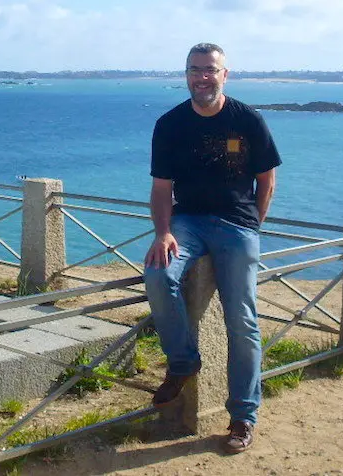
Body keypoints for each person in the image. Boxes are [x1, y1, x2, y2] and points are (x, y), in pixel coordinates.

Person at [144, 42, 281, 454]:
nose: (201, 77)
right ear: (185, 74)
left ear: (225, 74)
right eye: (193, 70)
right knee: (157, 273)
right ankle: (183, 362)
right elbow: (161, 189)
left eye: (209, 70)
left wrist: (251, 227)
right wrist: (163, 232)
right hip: (186, 222)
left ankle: (242, 416)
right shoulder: (170, 124)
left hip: (237, 224)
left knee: (242, 320)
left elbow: (267, 182)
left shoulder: (248, 120)